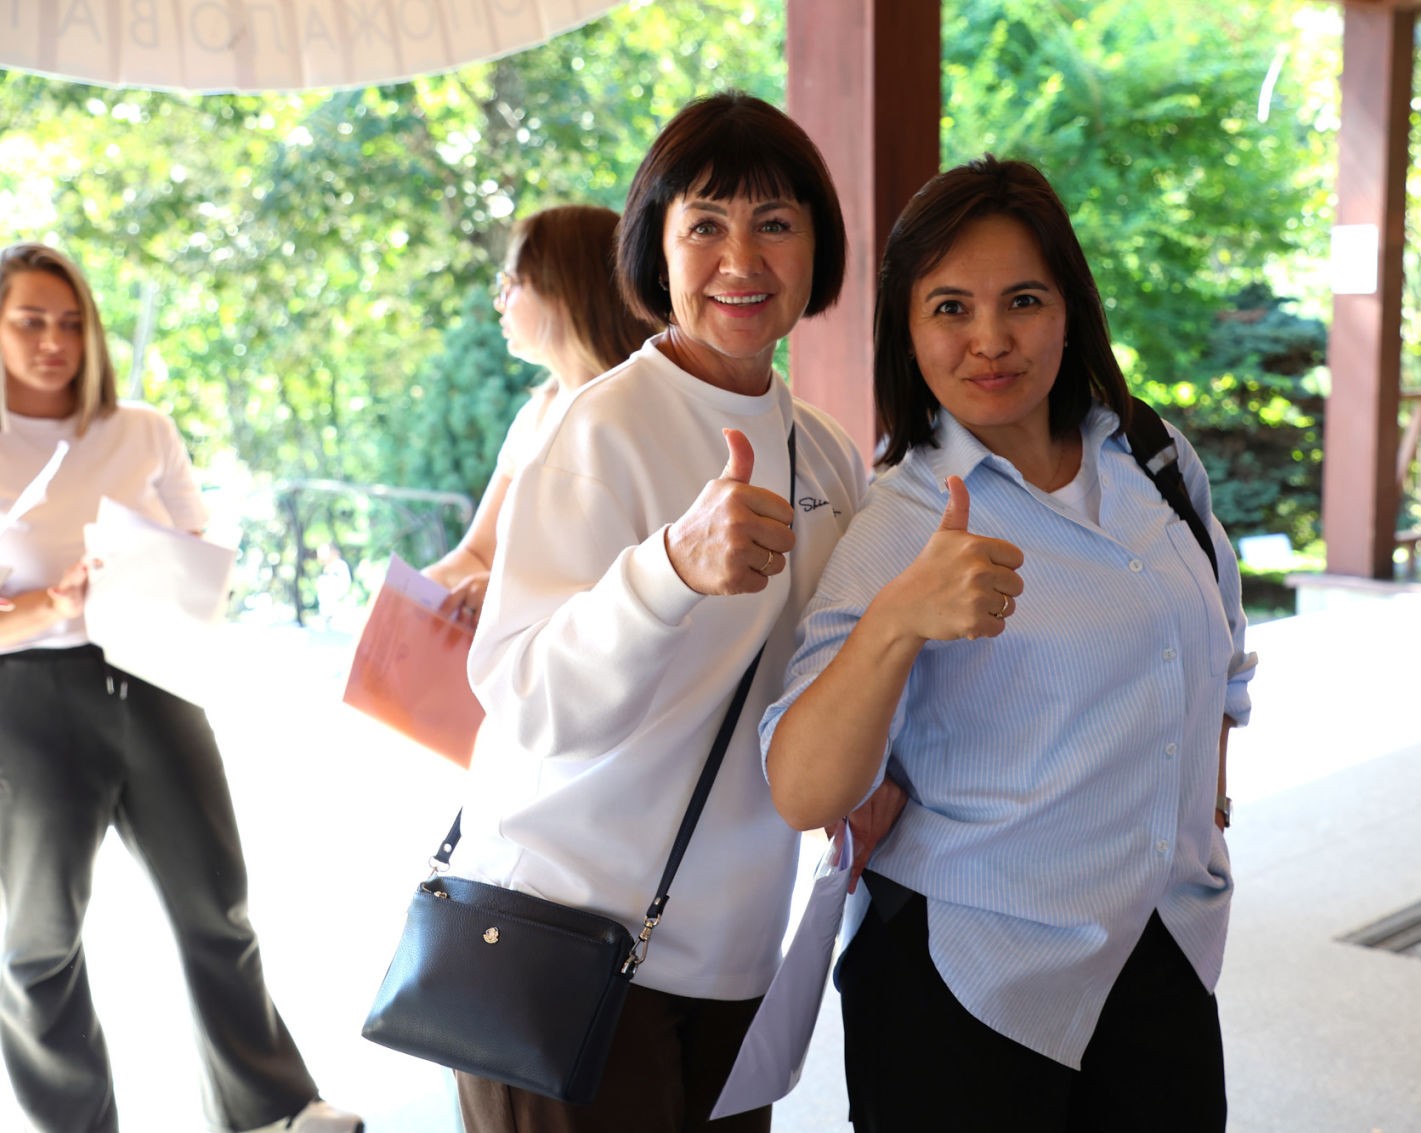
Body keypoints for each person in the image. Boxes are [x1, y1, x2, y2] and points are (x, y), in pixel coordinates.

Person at [761, 157, 1258, 1131]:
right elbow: (801, 789)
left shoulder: (1151, 456)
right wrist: (897, 618)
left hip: (1162, 949)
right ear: (907, 331)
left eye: (1022, 300)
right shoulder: (905, 519)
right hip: (968, 982)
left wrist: (1203, 811)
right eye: (949, 307)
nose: (990, 339)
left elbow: (1221, 654)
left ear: (1069, 309)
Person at [449, 92, 869, 1132]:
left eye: (775, 223)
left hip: (732, 954)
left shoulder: (824, 451)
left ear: (817, 245)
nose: (742, 259)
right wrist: (671, 568)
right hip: (563, 936)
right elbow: (524, 695)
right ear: (656, 246)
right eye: (706, 225)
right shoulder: (599, 427)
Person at [0, 242, 361, 1132]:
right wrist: (54, 601)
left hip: (153, 676)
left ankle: (272, 1108)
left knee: (217, 904)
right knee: (38, 942)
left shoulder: (141, 428)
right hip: (28, 697)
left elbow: (196, 545)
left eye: (71, 322)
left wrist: (167, 569)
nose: (55, 341)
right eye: (30, 322)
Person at [421, 205, 658, 624]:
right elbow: (478, 553)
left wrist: (505, 595)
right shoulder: (536, 414)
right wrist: (416, 594)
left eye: (510, 283)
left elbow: (647, 582)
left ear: (564, 289)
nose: (499, 302)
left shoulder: (641, 414)